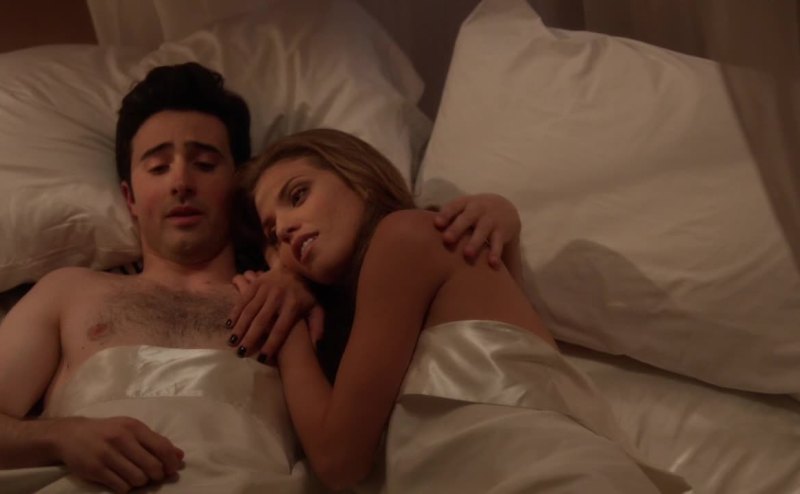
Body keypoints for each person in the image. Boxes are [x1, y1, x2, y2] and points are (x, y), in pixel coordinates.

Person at [0, 62, 525, 494]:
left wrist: (495, 215)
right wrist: (59, 437)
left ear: (239, 186)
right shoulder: (68, 291)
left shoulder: (313, 296)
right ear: (129, 198)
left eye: (205, 164)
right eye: (158, 168)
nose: (181, 181)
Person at [235, 128, 692, 493]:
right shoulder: (388, 302)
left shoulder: (405, 238)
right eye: (272, 235)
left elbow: (338, 462)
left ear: (357, 176)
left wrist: (285, 325)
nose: (287, 227)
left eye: (298, 195)